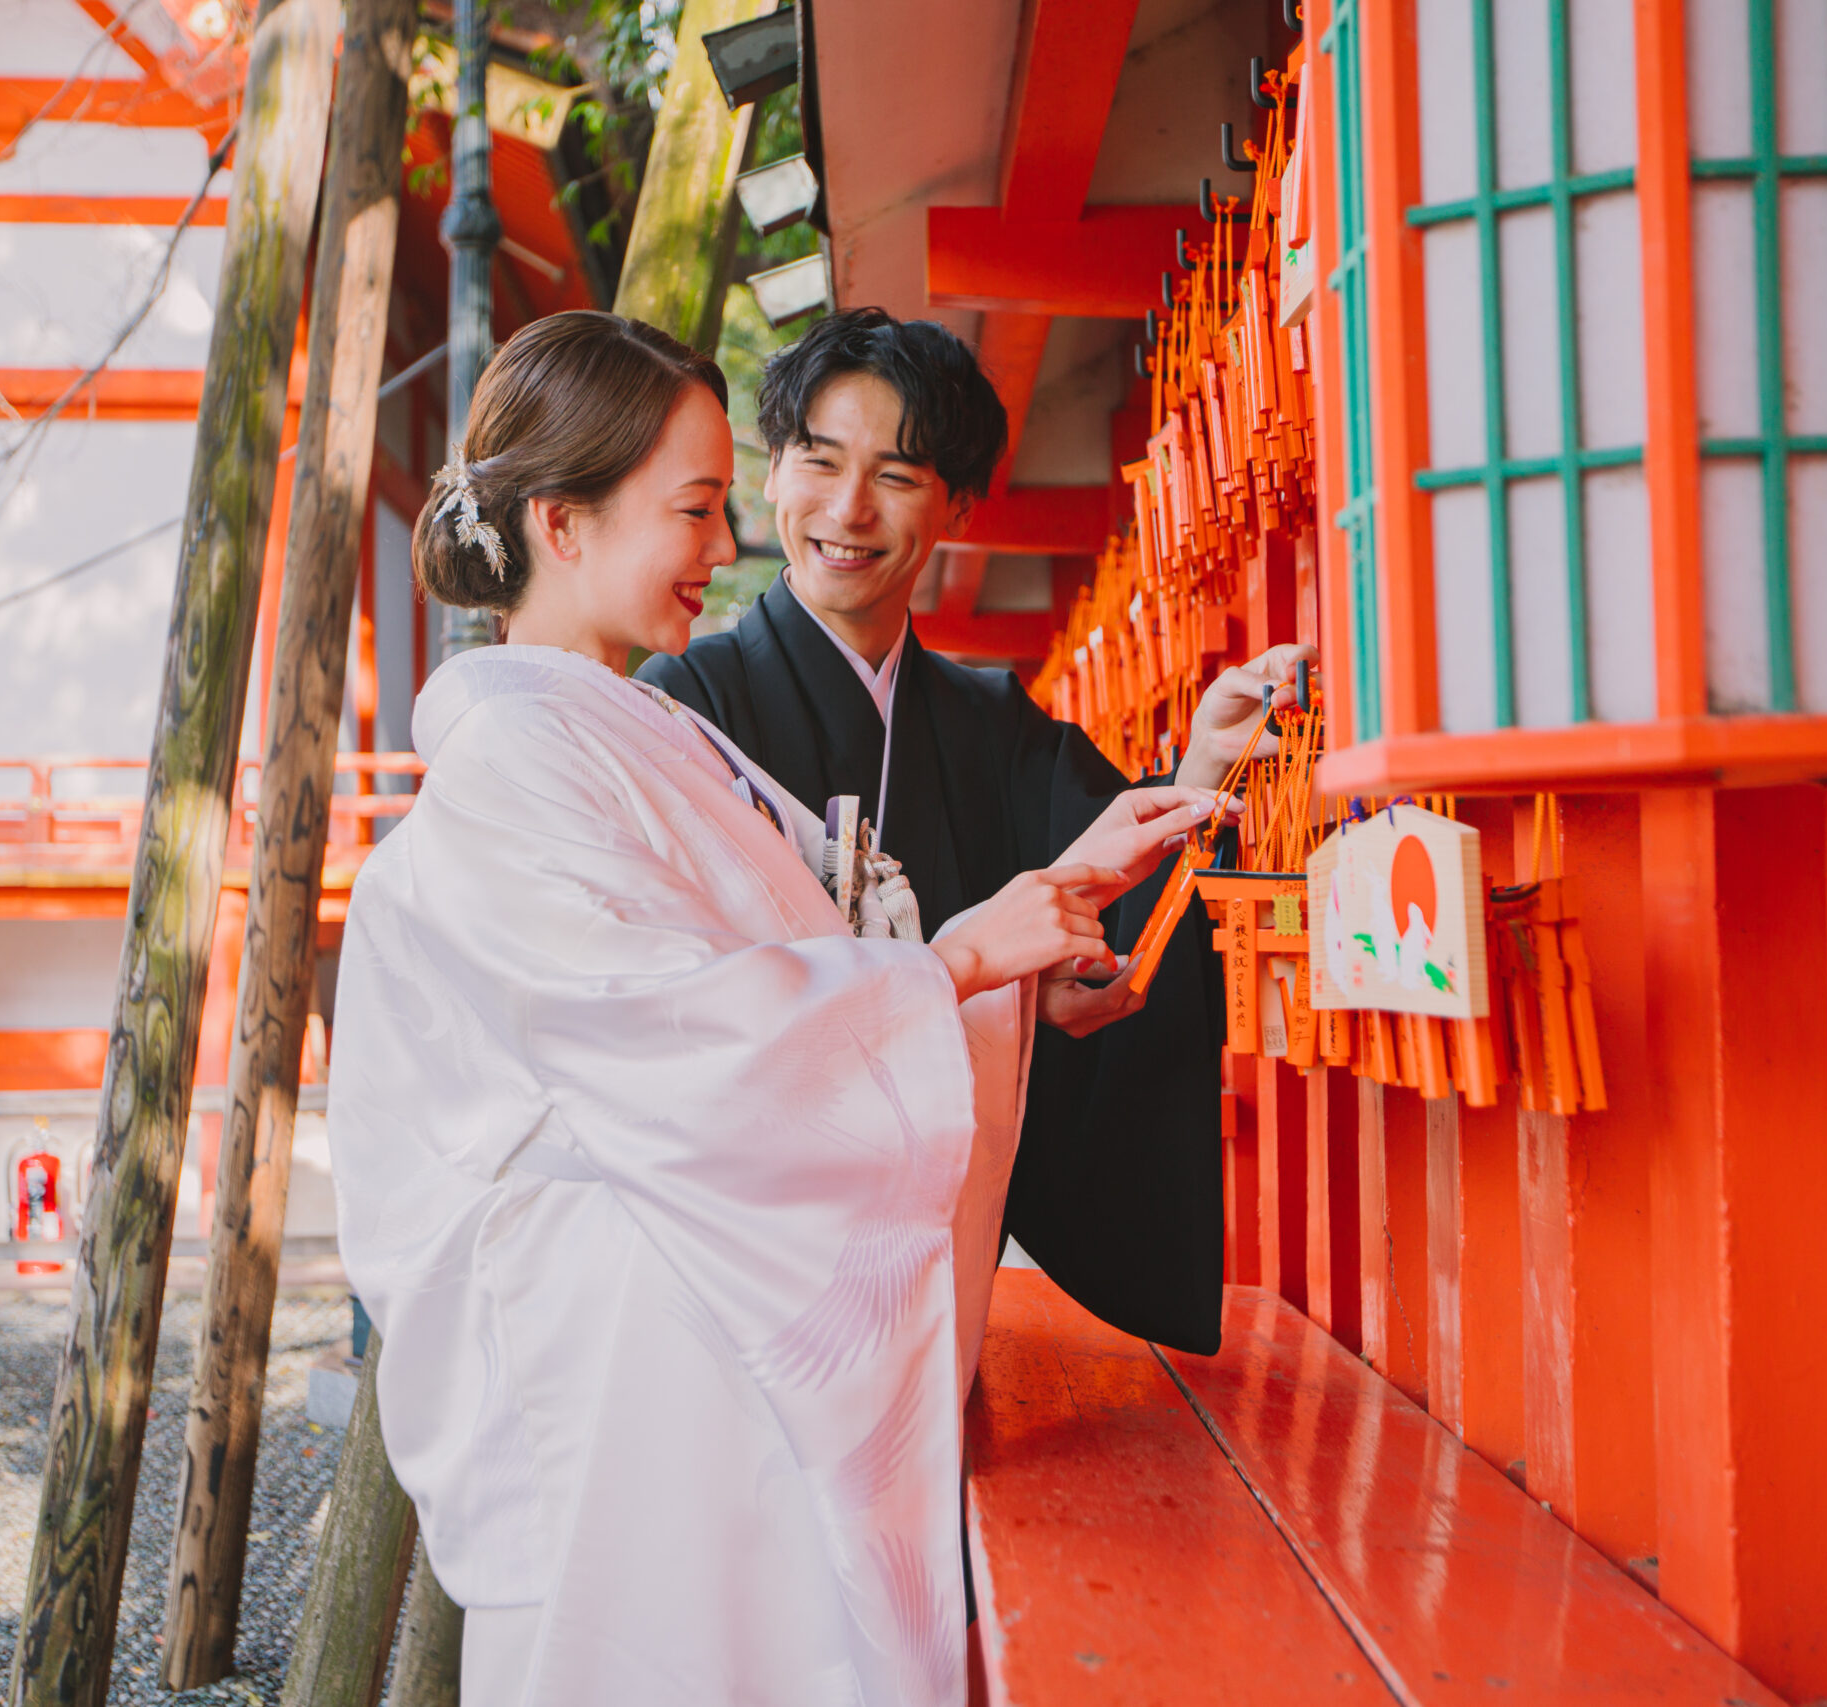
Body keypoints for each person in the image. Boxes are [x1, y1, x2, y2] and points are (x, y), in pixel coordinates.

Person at [323, 311, 1211, 1707]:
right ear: (562, 522)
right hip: (629, 1368)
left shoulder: (647, 731)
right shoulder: (516, 759)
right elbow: (689, 1034)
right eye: (694, 506)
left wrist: (1039, 914)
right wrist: (961, 968)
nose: (728, 541)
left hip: (708, 1335)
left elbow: (835, 943)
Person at [639, 308, 1308, 1352]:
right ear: (770, 476)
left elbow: (1108, 898)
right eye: (819, 461)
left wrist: (1204, 770)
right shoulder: (685, 708)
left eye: (898, 477)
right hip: (750, 1261)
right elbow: (680, 1007)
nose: (848, 510)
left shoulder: (988, 725)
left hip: (942, 1253)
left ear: (953, 502)